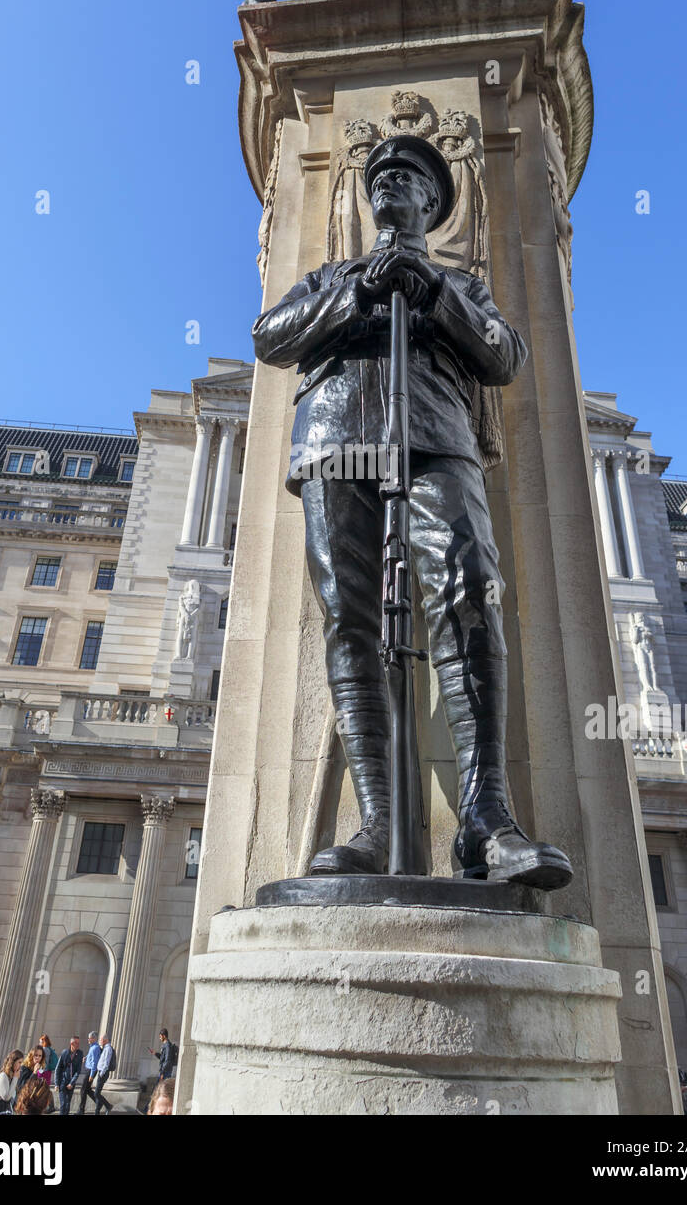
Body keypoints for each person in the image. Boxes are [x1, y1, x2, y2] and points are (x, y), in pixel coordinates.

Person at [252, 134, 572, 886]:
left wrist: (430, 294)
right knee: (351, 617)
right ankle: (375, 824)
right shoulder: (329, 274)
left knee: (468, 600)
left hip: (433, 438)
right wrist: (357, 294)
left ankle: (486, 821)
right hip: (336, 439)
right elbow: (270, 338)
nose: (391, 183)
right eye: (382, 175)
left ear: (432, 201)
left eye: (409, 177)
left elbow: (504, 355)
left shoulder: (462, 285)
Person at [55, 1037, 83, 1116]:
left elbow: (78, 1071)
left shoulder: (80, 1053)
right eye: (76, 1043)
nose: (78, 1045)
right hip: (62, 1082)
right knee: (63, 1104)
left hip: (71, 1083)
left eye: (78, 1043)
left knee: (67, 1105)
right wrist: (57, 1083)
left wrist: (72, 1083)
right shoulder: (65, 1053)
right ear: (71, 1044)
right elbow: (58, 1068)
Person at [0, 1049, 23, 1114]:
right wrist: (15, 1078)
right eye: (19, 1062)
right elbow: (6, 1097)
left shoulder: (11, 1078)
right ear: (13, 1062)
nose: (20, 1065)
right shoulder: (3, 1076)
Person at [75, 1031, 101, 1116]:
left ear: (94, 1038)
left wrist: (91, 1075)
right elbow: (92, 1057)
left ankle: (81, 1110)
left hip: (90, 1071)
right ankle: (99, 1103)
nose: (88, 1039)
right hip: (89, 1070)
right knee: (88, 1090)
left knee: (83, 1090)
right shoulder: (92, 1047)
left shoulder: (95, 1048)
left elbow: (95, 1062)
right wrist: (86, 1058)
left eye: (89, 1038)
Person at [93, 1034, 116, 1115]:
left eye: (101, 1040)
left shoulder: (108, 1049)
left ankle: (108, 1105)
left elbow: (106, 1062)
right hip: (101, 1072)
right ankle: (97, 1111)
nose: (100, 1041)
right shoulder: (105, 1048)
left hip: (103, 1073)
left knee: (96, 1093)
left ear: (105, 1040)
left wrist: (101, 1073)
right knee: (97, 1093)